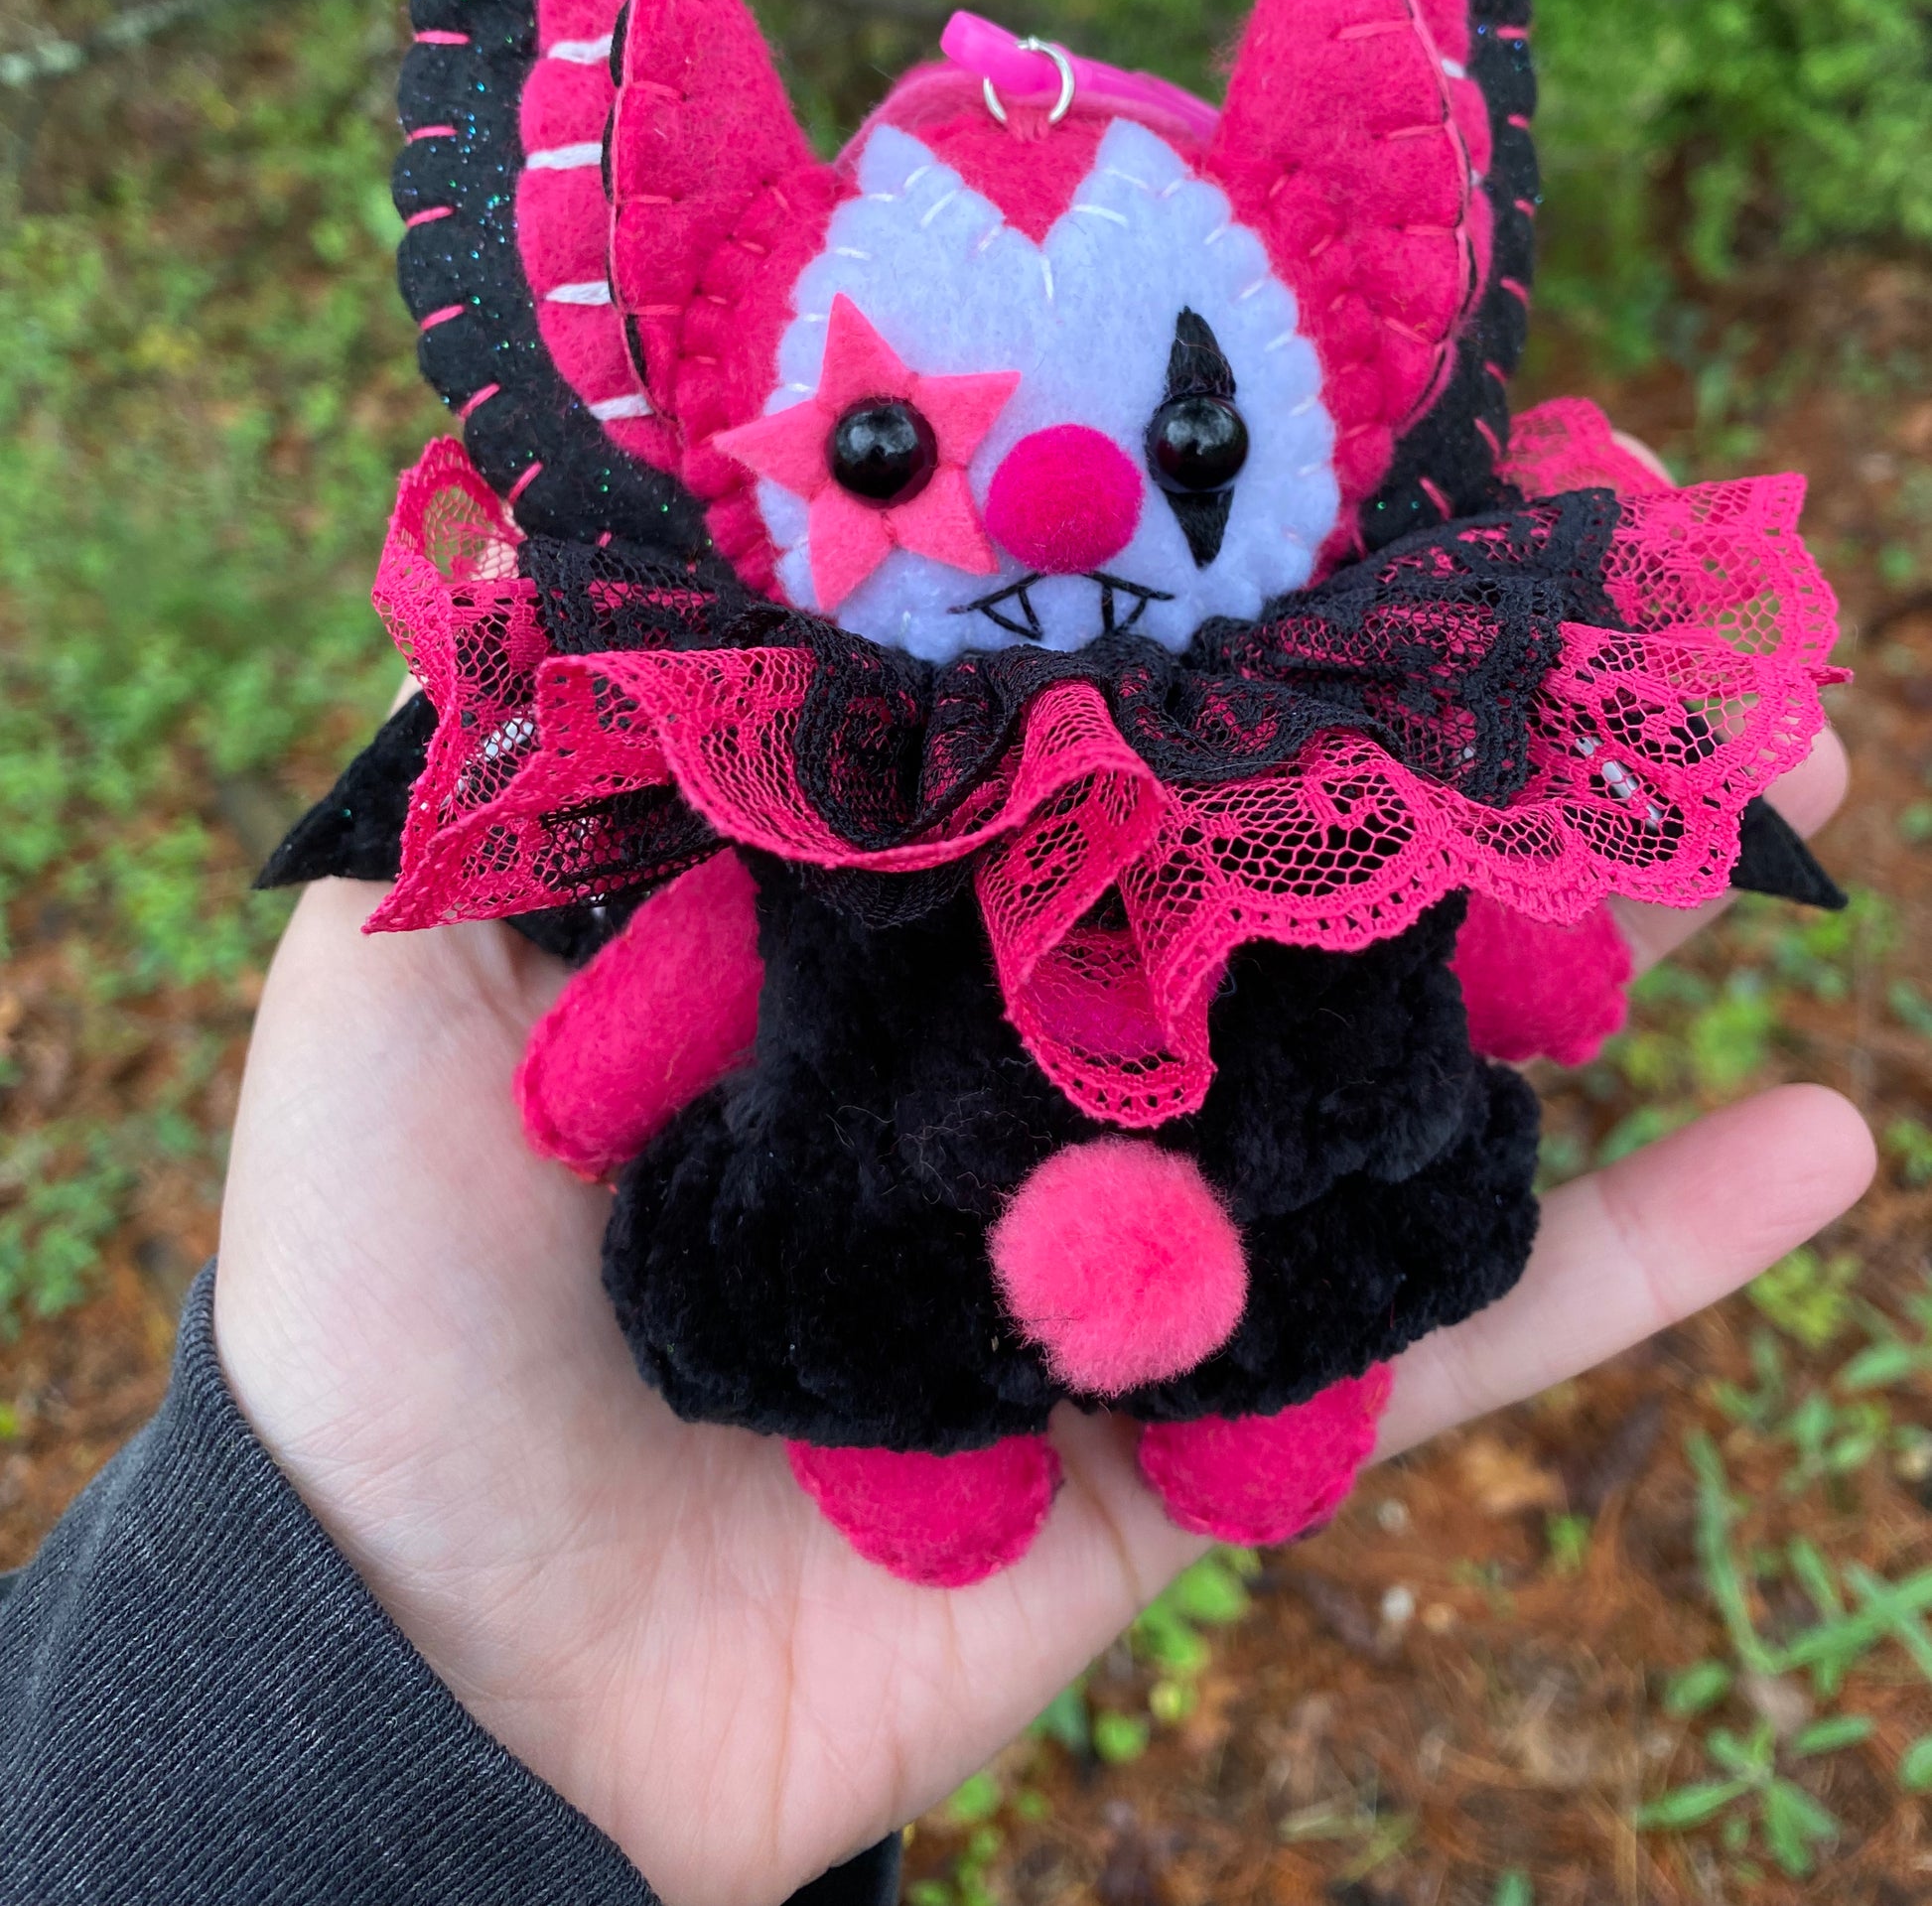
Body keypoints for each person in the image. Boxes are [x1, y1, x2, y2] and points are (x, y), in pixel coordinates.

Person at [0, 721, 1866, 1906]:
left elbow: (1496, 937)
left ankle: (1223, 1414)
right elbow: (683, 980)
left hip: (1284, 1156)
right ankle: (983, 1447)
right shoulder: (809, 763)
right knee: (871, 1352)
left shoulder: (1321, 745)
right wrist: (428, 1653)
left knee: (1289, 1297)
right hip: (887, 1226)